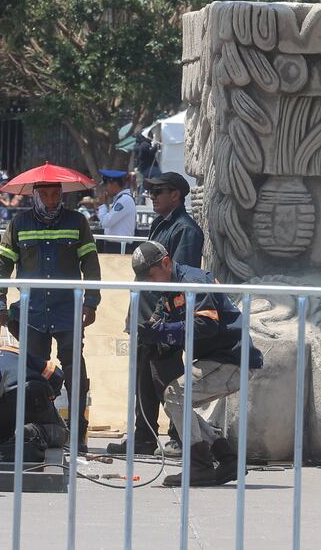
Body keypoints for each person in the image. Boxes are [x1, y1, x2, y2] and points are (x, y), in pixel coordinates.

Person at [131, 241, 262, 486]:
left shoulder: (193, 281)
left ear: (166, 263)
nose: (149, 282)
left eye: (150, 275)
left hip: (233, 359)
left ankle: (199, 465)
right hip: (219, 359)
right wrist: (155, 332)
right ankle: (226, 457)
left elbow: (207, 325)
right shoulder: (170, 289)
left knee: (176, 396)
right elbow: (166, 321)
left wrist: (163, 332)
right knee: (176, 402)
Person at [0, 181, 101, 451]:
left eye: (55, 194)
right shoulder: (19, 224)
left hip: (68, 312)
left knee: (75, 373)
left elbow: (91, 264)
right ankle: (37, 430)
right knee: (33, 377)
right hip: (32, 314)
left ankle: (77, 434)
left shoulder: (77, 222)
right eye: (45, 195)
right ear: (35, 196)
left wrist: (92, 301)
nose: (51, 200)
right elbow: (2, 266)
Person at [107, 172, 203, 458]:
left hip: (163, 321)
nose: (153, 196)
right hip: (144, 315)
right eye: (151, 191)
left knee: (170, 380)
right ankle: (145, 437)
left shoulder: (185, 229)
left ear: (176, 195)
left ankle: (180, 436)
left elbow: (178, 281)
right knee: (144, 381)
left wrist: (162, 321)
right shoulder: (162, 225)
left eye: (159, 191)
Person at [0, 338, 67, 461]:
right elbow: (57, 375)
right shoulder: (12, 351)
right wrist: (50, 396)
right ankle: (34, 431)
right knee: (62, 433)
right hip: (28, 396)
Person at [96, 169, 137, 253]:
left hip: (119, 247)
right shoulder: (121, 199)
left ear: (114, 184)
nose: (105, 189)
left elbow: (105, 223)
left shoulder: (124, 200)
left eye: (105, 185)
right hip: (115, 246)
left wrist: (102, 205)